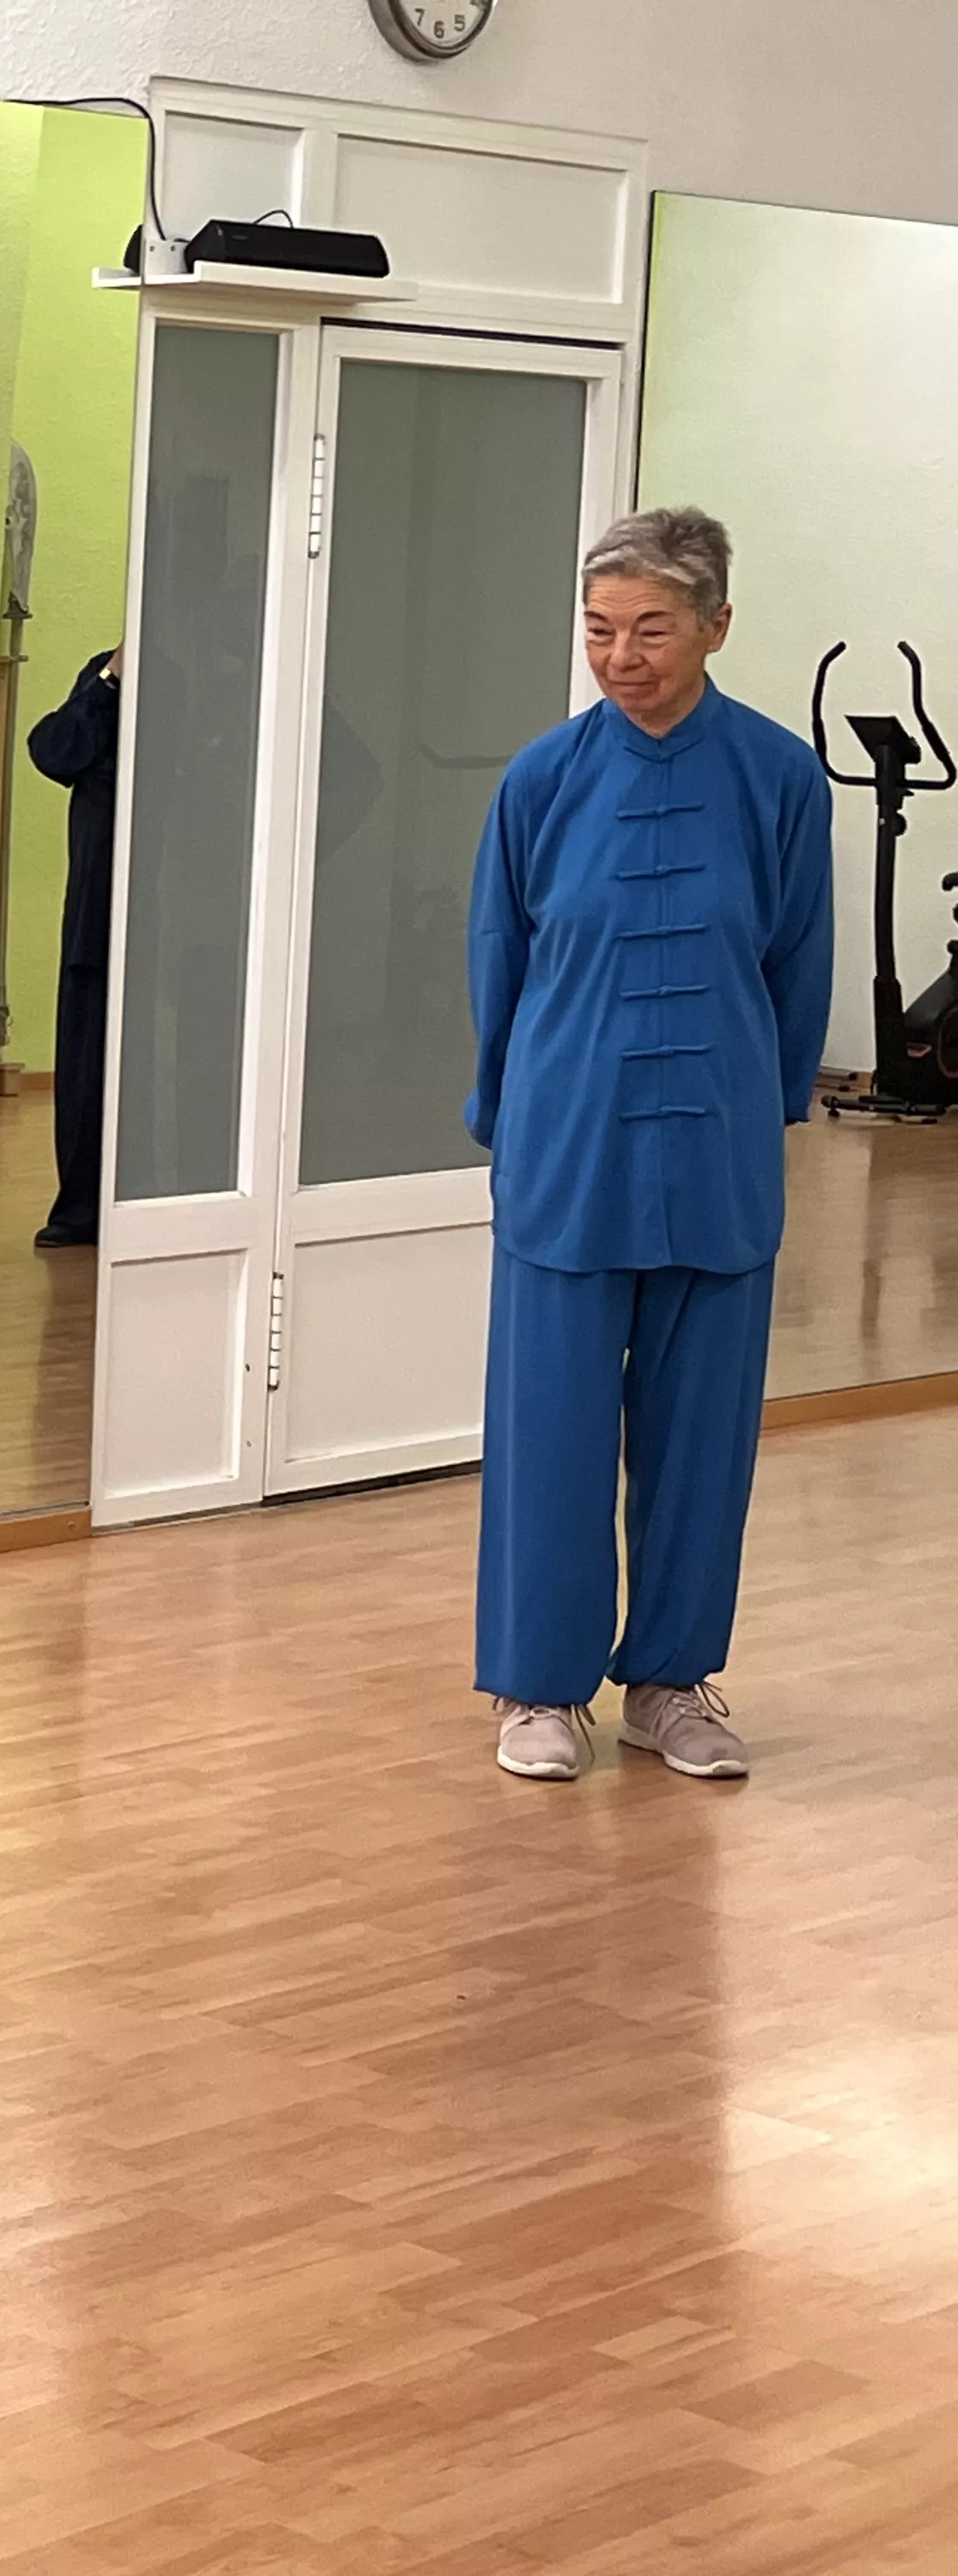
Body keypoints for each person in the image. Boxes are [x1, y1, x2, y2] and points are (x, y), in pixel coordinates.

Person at [469, 508, 829, 1787]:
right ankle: (537, 1691)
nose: (620, 656)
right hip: (567, 1143)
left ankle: (673, 1683)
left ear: (717, 628)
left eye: (650, 630)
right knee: (551, 1428)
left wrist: (762, 1110)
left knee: (702, 1435)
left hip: (719, 1148)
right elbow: (499, 963)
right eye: (600, 630)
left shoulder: (782, 780)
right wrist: (504, 1118)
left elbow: (797, 966)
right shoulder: (541, 782)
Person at [26, 645, 120, 1249]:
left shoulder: (238, 672)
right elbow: (55, 750)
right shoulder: (106, 674)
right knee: (88, 1058)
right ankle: (81, 1206)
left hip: (190, 913)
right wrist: (111, 680)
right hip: (99, 902)